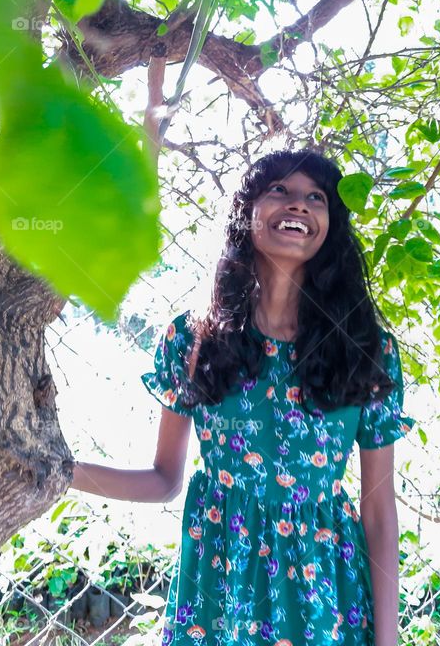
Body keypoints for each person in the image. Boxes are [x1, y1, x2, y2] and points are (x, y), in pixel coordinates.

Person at [71, 149, 416, 646]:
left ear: (331, 225)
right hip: (221, 584)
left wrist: (388, 643)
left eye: (315, 197)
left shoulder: (365, 349)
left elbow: (380, 513)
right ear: (245, 213)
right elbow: (164, 480)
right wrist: (60, 472)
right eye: (280, 190)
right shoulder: (193, 340)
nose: (298, 205)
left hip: (325, 597)